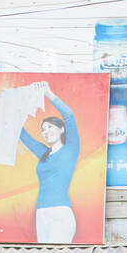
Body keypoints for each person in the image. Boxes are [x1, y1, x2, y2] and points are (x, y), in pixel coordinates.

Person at [18, 82, 79, 243]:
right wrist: (13, 104)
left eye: (50, 127)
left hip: (60, 212)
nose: (46, 132)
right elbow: (22, 135)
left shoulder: (70, 150)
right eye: (43, 130)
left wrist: (48, 93)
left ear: (62, 129)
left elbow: (69, 115)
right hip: (41, 213)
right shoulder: (44, 153)